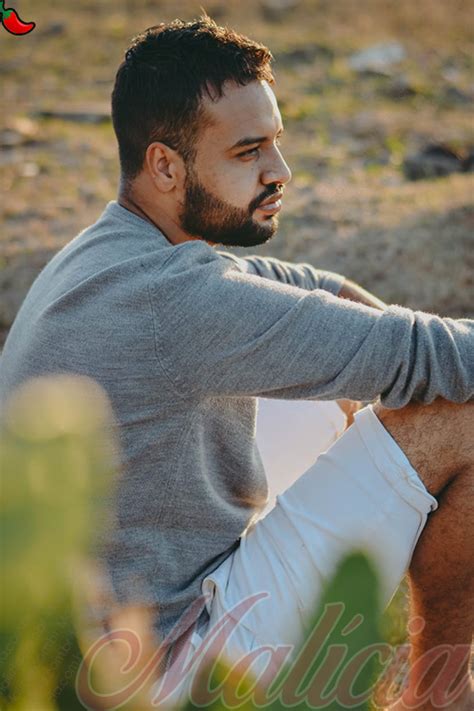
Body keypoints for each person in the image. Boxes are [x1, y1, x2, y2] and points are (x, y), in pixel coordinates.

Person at [0, 16, 472, 710]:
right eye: (248, 151)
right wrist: (409, 425)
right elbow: (426, 356)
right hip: (157, 673)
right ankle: (442, 700)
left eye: (275, 143)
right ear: (165, 164)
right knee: (458, 416)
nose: (279, 172)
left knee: (335, 370)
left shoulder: (114, 247)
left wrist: (382, 410)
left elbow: (313, 290)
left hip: (113, 633)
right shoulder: (173, 301)